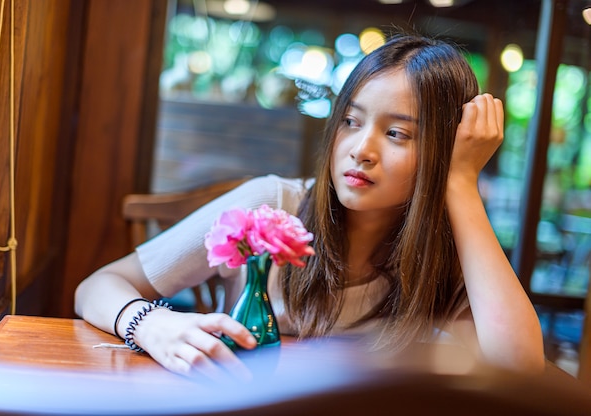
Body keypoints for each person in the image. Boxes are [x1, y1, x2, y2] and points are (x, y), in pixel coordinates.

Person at [74, 34, 545, 380]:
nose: (361, 149)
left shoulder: (440, 257)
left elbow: (521, 368)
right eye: (350, 121)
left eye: (397, 133)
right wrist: (151, 323)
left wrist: (460, 182)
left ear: (442, 150)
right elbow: (100, 286)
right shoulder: (272, 203)